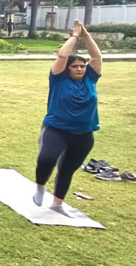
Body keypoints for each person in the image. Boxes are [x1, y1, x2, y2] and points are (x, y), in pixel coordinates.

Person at [33, 20, 103, 215]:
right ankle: (40, 187)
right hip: (56, 129)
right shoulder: (58, 79)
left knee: (67, 168)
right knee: (46, 159)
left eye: (82, 66)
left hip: (84, 134)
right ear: (67, 68)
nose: (80, 69)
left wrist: (85, 34)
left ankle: (57, 203)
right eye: (75, 66)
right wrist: (74, 35)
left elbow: (96, 56)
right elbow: (63, 56)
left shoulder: (90, 78)